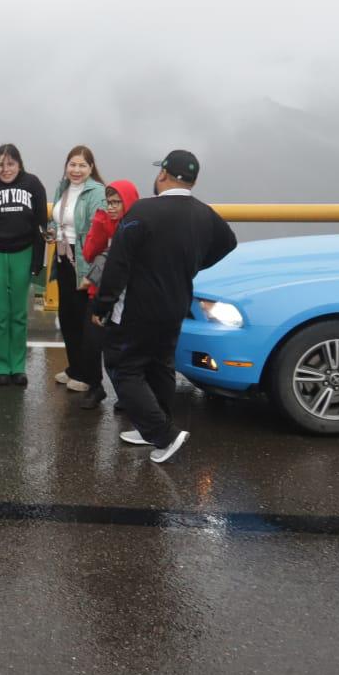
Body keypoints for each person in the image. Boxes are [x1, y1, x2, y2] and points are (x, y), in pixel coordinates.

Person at [91, 150, 237, 463]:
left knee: (123, 366)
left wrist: (101, 306)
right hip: (175, 304)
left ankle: (164, 435)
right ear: (193, 181)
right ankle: (152, 428)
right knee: (159, 365)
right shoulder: (204, 214)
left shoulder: (143, 211)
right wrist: (193, 263)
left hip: (137, 308)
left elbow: (117, 265)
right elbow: (229, 242)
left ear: (163, 175)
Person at [0, 144, 49, 386]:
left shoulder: (33, 184)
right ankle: (1, 367)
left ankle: (18, 366)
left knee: (19, 313)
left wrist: (38, 260)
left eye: (11, 164)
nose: (6, 169)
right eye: (1, 164)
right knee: (0, 314)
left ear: (19, 164)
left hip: (23, 252)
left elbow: (41, 226)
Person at [77, 178, 141, 409]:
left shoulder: (137, 226)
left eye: (117, 202)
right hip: (100, 294)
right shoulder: (105, 221)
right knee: (91, 346)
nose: (112, 207)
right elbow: (89, 253)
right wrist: (100, 222)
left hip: (128, 298)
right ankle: (96, 388)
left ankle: (127, 395)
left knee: (124, 352)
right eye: (109, 202)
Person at [51, 145, 107, 392]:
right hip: (63, 256)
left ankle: (88, 376)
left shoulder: (97, 193)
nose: (76, 170)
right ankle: (74, 367)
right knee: (67, 317)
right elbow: (57, 218)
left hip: (84, 260)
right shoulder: (62, 187)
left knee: (86, 322)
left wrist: (91, 273)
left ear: (91, 168)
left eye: (82, 165)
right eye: (72, 164)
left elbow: (100, 232)